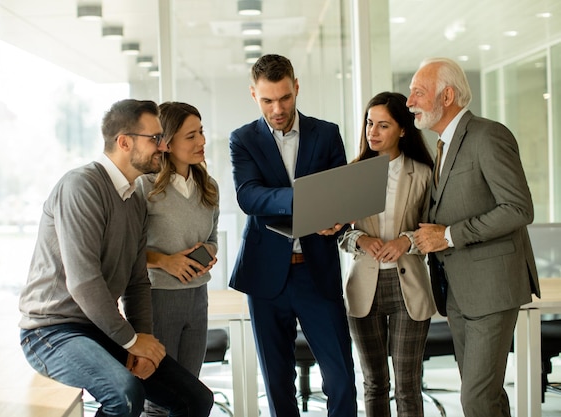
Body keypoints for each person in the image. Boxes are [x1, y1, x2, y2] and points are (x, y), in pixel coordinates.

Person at [18, 99, 213, 417]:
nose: (163, 147)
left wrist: (144, 339)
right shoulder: (81, 186)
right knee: (124, 395)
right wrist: (130, 341)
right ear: (124, 142)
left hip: (98, 327)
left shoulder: (134, 199)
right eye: (155, 138)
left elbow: (137, 282)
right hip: (51, 331)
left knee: (197, 400)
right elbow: (83, 282)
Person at [408, 58, 540, 417]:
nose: (410, 101)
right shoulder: (440, 146)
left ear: (446, 95)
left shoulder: (487, 135)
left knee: (476, 401)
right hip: (457, 292)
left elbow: (518, 208)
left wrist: (449, 236)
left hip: (492, 290)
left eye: (418, 92)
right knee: (487, 396)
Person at [229, 53, 357, 417]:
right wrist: (307, 201)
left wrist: (336, 218)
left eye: (284, 97)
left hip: (316, 271)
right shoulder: (243, 139)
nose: (277, 108)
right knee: (277, 383)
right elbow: (249, 195)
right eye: (267, 99)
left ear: (296, 87)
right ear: (253, 94)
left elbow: (341, 193)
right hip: (266, 275)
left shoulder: (327, 133)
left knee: (341, 378)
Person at [338, 91, 435, 417]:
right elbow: (338, 232)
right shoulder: (353, 174)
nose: (373, 132)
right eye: (369, 123)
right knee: (374, 382)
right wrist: (362, 240)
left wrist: (405, 241)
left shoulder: (423, 174)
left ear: (403, 130)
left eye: (383, 125)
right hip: (364, 286)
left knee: (407, 385)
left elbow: (434, 231)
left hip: (409, 285)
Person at [137, 101, 219, 416]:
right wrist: (166, 261)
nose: (201, 142)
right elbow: (128, 250)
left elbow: (212, 238)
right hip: (158, 299)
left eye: (201, 132)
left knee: (191, 395)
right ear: (167, 143)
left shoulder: (208, 187)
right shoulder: (144, 187)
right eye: (191, 136)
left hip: (198, 298)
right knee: (158, 402)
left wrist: (209, 252)